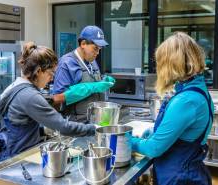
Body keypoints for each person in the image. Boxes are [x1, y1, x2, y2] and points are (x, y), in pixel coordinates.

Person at [0, 42, 96, 163]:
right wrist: (94, 128)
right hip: (16, 158)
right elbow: (63, 126)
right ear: (39, 71)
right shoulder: (30, 96)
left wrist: (42, 130)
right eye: (50, 73)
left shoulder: (18, 85)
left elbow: (20, 122)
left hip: (14, 150)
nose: (52, 78)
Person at [131, 32, 214, 185]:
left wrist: (129, 141)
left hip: (180, 177)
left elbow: (154, 148)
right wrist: (153, 133)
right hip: (188, 171)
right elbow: (184, 133)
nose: (159, 68)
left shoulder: (186, 100)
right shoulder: (197, 90)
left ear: (172, 64)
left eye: (161, 63)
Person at [53, 25, 115, 122]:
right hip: (76, 124)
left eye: (99, 49)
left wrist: (103, 82)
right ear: (83, 43)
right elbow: (57, 98)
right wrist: (90, 88)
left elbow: (92, 80)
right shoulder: (67, 63)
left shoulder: (92, 61)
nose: (98, 53)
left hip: (95, 120)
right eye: (95, 48)